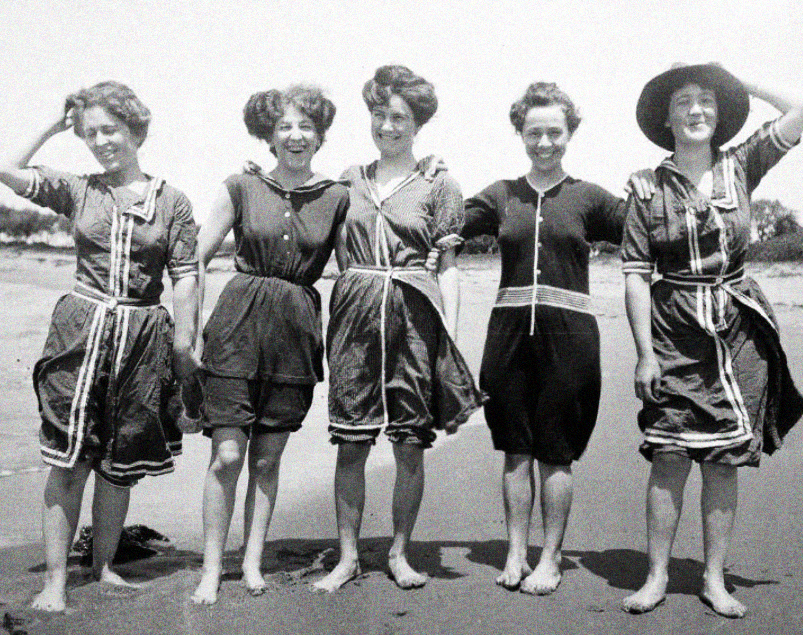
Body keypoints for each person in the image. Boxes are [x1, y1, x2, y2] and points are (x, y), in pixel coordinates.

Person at [0, 81, 200, 612]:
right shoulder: (79, 189)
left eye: (110, 130)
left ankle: (104, 566)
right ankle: (56, 581)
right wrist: (52, 125)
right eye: (89, 134)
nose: (101, 141)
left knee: (119, 460)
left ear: (135, 129)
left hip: (142, 336)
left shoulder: (172, 201)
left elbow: (187, 277)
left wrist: (185, 345)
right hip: (81, 332)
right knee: (68, 457)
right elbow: (2, 169)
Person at [620, 63, 803, 617]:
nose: (696, 110)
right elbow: (635, 272)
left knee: (724, 459)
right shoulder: (646, 186)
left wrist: (742, 81)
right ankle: (656, 576)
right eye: (684, 101)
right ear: (667, 118)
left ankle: (713, 580)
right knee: (669, 454)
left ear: (720, 112)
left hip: (735, 329)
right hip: (672, 331)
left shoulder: (741, 165)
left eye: (707, 100)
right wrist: (643, 354)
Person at [449, 82, 640, 595]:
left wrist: (652, 186)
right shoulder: (500, 194)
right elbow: (446, 223)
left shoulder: (590, 197)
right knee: (514, 450)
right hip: (507, 335)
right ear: (520, 133)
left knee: (556, 453)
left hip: (571, 336)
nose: (544, 143)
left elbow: (645, 229)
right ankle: (515, 553)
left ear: (570, 133)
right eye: (534, 132)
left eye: (555, 132)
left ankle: (551, 558)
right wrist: (433, 179)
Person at [312, 64, 482, 592]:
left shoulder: (441, 184)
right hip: (355, 311)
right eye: (379, 116)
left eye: (399, 117)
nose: (387, 126)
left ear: (418, 123)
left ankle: (400, 553)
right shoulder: (346, 182)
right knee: (352, 441)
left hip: (415, 313)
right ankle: (346, 558)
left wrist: (447, 338)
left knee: (409, 442)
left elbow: (449, 267)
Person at [190, 85, 349, 604]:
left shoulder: (338, 196)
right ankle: (213, 569)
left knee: (265, 460)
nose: (295, 136)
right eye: (284, 126)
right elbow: (194, 258)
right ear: (268, 134)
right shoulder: (239, 185)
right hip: (236, 327)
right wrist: (186, 331)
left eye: (305, 127)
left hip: (296, 335)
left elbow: (354, 271)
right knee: (228, 456)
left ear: (320, 136)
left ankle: (253, 562)